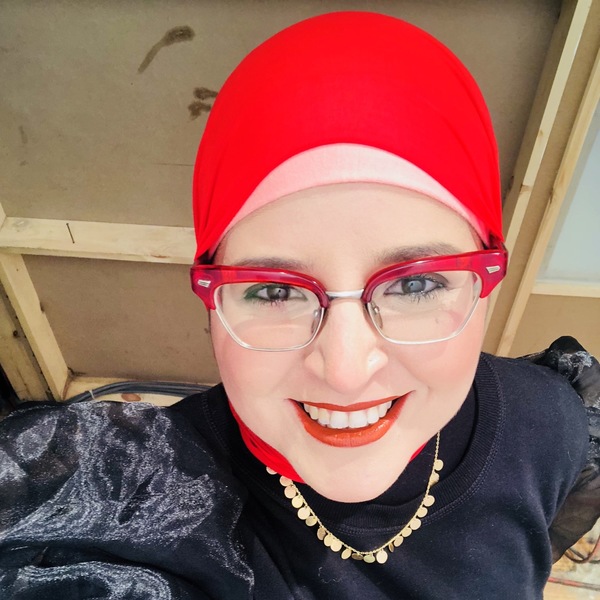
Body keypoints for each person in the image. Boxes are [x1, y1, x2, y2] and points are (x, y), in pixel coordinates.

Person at [0, 11, 598, 600]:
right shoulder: (148, 503)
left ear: (486, 287)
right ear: (210, 303)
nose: (345, 371)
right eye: (275, 290)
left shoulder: (546, 423)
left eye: (416, 285)